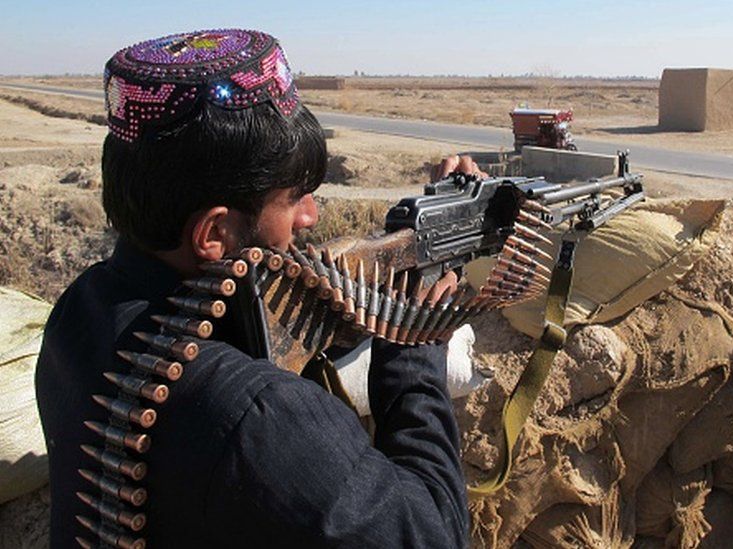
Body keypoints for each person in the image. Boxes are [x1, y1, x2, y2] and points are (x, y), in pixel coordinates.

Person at [35, 29, 469, 548]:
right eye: (294, 198)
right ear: (214, 233)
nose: (310, 215)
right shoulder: (262, 417)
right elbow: (435, 535)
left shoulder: (79, 312)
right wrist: (413, 351)